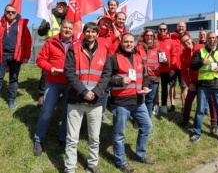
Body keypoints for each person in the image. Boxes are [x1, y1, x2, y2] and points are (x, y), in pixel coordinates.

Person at [64, 22, 111, 173]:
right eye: (88, 31)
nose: (90, 34)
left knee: (94, 137)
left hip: (96, 101)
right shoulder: (74, 49)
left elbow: (106, 75)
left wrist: (95, 92)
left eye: (93, 32)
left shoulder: (104, 51)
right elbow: (69, 72)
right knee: (72, 138)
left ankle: (92, 164)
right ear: (84, 33)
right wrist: (84, 91)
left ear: (97, 34)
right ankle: (70, 167)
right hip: (76, 99)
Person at [110, 33, 155, 173]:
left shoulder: (138, 57)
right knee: (119, 134)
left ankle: (140, 154)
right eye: (126, 41)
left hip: (138, 100)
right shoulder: (114, 58)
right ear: (121, 42)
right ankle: (120, 161)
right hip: (121, 102)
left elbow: (145, 75)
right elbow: (105, 79)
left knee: (147, 126)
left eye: (131, 41)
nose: (129, 44)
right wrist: (119, 81)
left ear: (134, 43)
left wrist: (146, 86)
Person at [33, 19, 76, 156]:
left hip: (70, 83)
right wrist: (50, 68)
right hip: (53, 81)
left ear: (73, 30)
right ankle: (38, 139)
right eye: (65, 27)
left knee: (67, 112)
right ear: (61, 28)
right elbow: (40, 59)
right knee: (47, 110)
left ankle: (63, 138)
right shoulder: (51, 41)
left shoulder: (78, 44)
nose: (67, 30)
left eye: (70, 28)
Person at [190, 32, 218, 145]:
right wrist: (201, 62)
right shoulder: (200, 51)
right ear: (206, 40)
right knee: (200, 111)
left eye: (214, 38)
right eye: (209, 38)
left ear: (217, 39)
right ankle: (196, 133)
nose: (211, 40)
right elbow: (192, 66)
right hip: (203, 86)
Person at [178, 34, 218, 134]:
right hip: (194, 82)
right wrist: (189, 83)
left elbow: (213, 59)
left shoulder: (201, 47)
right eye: (183, 42)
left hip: (205, 80)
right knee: (188, 101)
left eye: (187, 40)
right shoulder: (183, 54)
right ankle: (186, 120)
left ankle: (214, 124)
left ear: (191, 39)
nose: (186, 43)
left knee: (211, 101)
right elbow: (183, 70)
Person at [37, 0, 68, 107]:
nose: (61, 7)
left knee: (62, 72)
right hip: (51, 47)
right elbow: (40, 32)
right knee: (46, 72)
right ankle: (42, 95)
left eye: (64, 6)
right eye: (60, 5)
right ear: (56, 6)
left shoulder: (68, 18)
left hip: (64, 48)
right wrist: (47, 25)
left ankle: (58, 96)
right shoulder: (49, 16)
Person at [0, 4, 32, 109]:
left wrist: (26, 55)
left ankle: (11, 100)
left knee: (14, 78)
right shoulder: (1, 24)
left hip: (16, 56)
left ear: (16, 13)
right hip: (2, 55)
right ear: (4, 12)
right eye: (8, 12)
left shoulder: (22, 25)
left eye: (13, 12)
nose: (10, 14)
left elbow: (28, 41)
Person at [136, 29, 161, 116]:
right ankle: (139, 118)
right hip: (142, 77)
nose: (149, 37)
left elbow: (164, 61)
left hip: (154, 78)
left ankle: (147, 117)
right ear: (144, 37)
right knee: (141, 98)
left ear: (154, 37)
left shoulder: (158, 48)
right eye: (147, 35)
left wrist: (165, 60)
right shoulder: (138, 48)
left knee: (150, 99)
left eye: (151, 35)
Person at [169, 21, 189, 112]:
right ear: (177, 27)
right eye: (179, 26)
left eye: (183, 26)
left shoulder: (188, 37)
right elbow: (169, 52)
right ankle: (172, 105)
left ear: (185, 28)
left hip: (183, 67)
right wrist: (171, 67)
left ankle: (183, 106)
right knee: (172, 85)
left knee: (183, 87)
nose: (181, 28)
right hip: (173, 66)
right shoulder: (171, 37)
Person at [157, 23, 176, 114]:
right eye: (161, 29)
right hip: (155, 69)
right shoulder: (155, 40)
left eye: (164, 29)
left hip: (166, 69)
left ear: (167, 30)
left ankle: (164, 106)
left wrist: (172, 68)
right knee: (155, 88)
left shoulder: (171, 41)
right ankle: (155, 105)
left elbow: (174, 55)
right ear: (158, 30)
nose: (162, 31)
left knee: (165, 88)